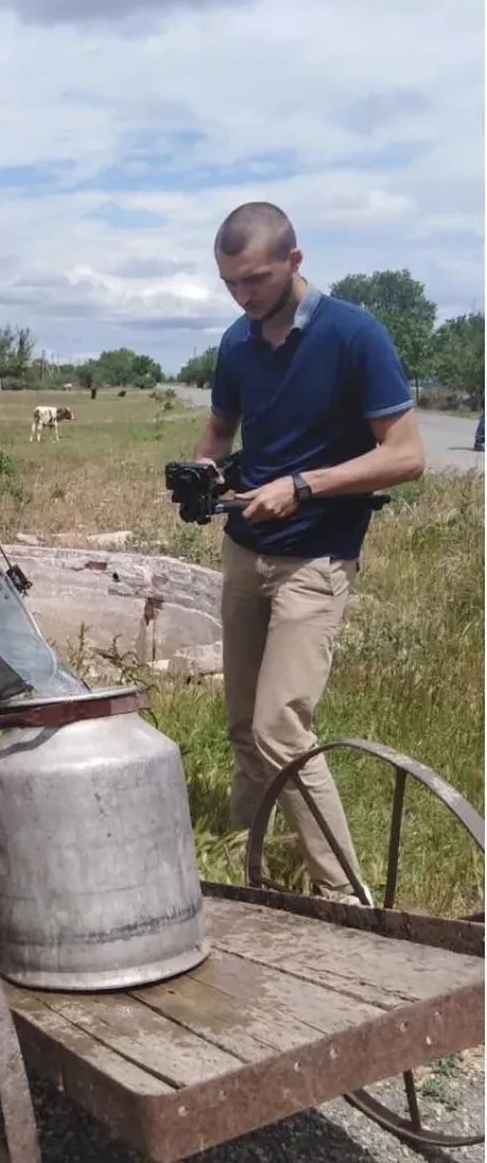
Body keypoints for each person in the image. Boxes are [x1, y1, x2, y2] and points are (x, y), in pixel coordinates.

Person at [192, 201, 425, 903]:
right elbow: (217, 430)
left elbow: (406, 455)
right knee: (240, 724)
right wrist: (205, 470)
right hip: (244, 549)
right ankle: (245, 855)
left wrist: (304, 486)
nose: (243, 296)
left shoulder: (354, 335)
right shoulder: (237, 342)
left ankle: (345, 896)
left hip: (316, 556)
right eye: (230, 283)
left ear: (293, 262)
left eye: (255, 280)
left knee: (278, 729)